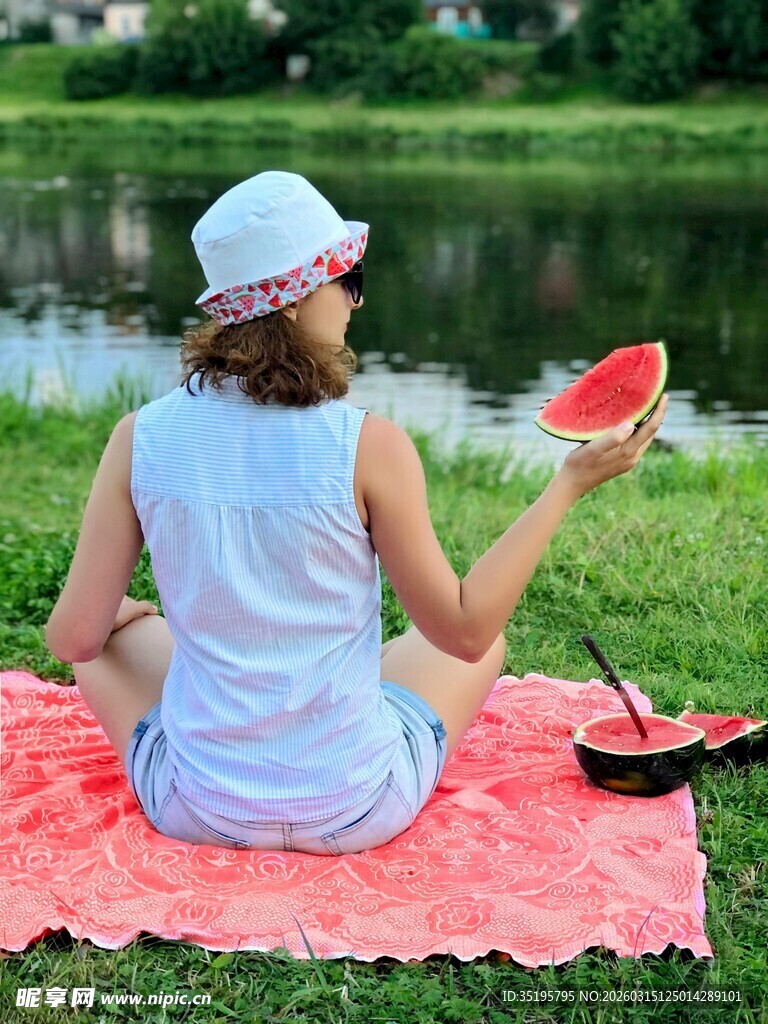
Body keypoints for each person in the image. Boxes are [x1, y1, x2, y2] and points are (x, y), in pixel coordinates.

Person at [45, 171, 667, 855]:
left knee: (111, 643)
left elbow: (74, 638)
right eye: (348, 280)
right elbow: (464, 632)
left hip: (198, 808)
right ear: (291, 303)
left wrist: (128, 613)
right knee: (482, 646)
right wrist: (565, 488)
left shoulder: (140, 437)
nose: (355, 302)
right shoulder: (369, 444)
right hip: (357, 807)